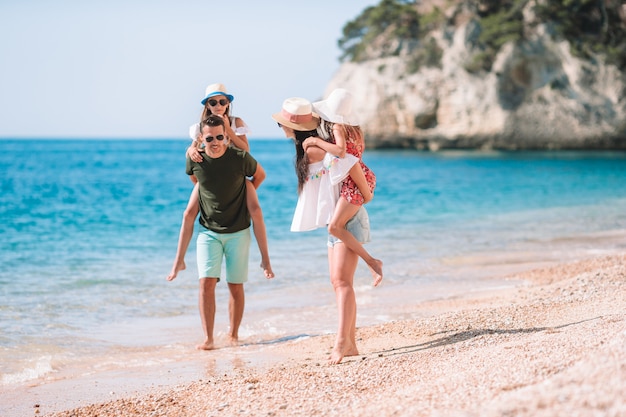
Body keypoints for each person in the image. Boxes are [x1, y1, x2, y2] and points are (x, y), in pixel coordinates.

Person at [272, 97, 378, 364]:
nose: (280, 128)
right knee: (340, 283)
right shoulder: (311, 149)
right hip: (340, 219)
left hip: (347, 220)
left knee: (341, 283)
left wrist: (366, 194)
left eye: (283, 124)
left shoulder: (313, 150)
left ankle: (342, 343)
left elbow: (350, 161)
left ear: (297, 127)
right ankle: (350, 343)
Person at [167, 83, 274, 281]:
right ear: (207, 104)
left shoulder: (235, 122)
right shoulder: (201, 125)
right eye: (213, 101)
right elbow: (193, 151)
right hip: (210, 180)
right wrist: (191, 150)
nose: (218, 105)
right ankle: (179, 261)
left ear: (228, 104)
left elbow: (245, 150)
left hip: (238, 176)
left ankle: (265, 260)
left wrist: (228, 130)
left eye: (222, 101)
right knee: (188, 213)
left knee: (256, 212)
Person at [185, 114, 266, 350]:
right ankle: (208, 339)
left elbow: (259, 175)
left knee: (235, 284)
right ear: (202, 138)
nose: (216, 141)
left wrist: (244, 190)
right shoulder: (194, 158)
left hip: (238, 229)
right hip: (208, 230)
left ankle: (233, 335)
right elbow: (195, 178)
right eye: (210, 138)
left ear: (227, 136)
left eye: (221, 136)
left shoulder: (240, 156)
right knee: (205, 283)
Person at [304, 88, 383, 286]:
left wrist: (316, 141)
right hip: (361, 178)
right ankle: (372, 262)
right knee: (336, 226)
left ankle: (373, 262)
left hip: (355, 182)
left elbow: (340, 151)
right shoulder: (355, 130)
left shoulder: (338, 127)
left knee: (335, 226)